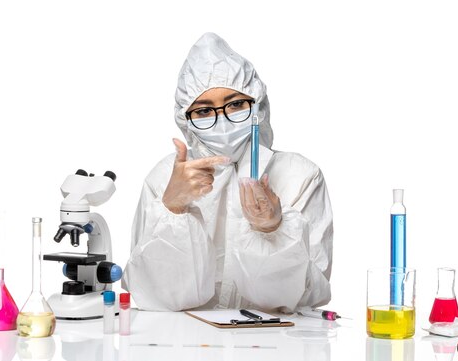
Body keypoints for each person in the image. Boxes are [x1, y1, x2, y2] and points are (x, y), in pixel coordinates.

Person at [122, 33, 333, 312]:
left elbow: (303, 298)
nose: (222, 120)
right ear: (186, 120)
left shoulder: (301, 176)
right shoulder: (164, 178)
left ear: (257, 104)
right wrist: (173, 208)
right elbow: (155, 297)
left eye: (235, 104)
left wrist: (272, 229)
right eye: (204, 110)